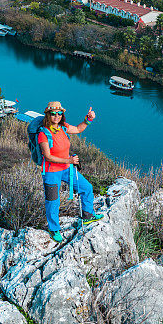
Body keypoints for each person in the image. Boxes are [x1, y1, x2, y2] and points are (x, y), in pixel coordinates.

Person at [37, 101, 103, 243]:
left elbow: (79, 129)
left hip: (67, 169)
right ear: (48, 115)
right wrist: (69, 161)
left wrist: (88, 119)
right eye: (53, 113)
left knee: (86, 188)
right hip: (51, 172)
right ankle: (54, 229)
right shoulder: (43, 133)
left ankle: (87, 216)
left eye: (59, 113)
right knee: (53, 201)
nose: (57, 116)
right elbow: (47, 156)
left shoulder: (63, 128)